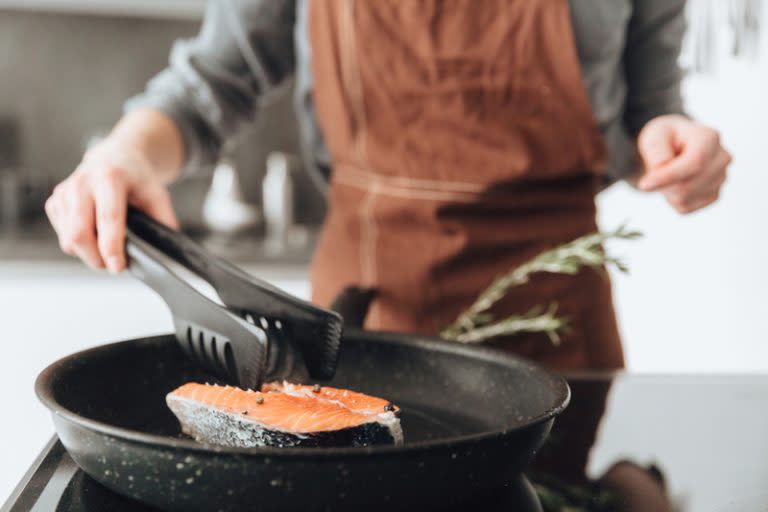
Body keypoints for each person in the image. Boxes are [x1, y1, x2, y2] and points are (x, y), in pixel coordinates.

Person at [45, 0, 730, 372]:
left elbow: (649, 107)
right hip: (360, 332)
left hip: (559, 333)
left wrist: (670, 144)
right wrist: (125, 155)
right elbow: (210, 85)